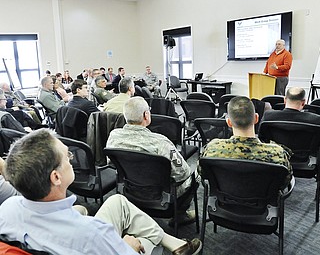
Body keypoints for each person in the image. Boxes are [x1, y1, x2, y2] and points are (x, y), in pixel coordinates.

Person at [0, 129, 202, 255]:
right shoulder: (93, 233)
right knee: (144, 239)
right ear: (56, 177)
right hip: (90, 243)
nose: (71, 159)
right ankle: (170, 245)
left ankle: (176, 245)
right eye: (67, 156)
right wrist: (129, 246)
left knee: (117, 202)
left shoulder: (6, 210)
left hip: (55, 236)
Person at [107, 96, 197, 223]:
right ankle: (180, 215)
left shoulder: (114, 136)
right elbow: (183, 173)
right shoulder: (160, 142)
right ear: (146, 115)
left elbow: (111, 162)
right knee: (195, 175)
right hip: (161, 196)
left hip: (130, 190)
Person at [201, 96, 292, 184]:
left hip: (224, 197)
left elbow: (203, 174)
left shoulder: (212, 149)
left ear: (229, 122)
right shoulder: (277, 153)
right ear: (256, 118)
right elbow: (285, 180)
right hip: (264, 198)